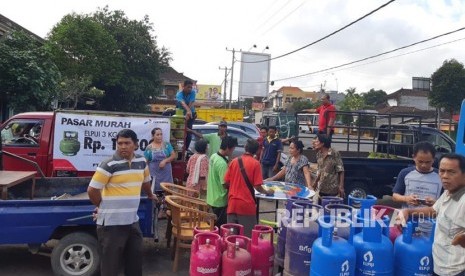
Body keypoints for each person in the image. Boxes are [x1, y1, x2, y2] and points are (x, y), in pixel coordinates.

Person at [87, 129, 157, 276]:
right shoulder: (108, 164)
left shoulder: (141, 161)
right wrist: (101, 206)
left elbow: (146, 182)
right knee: (110, 268)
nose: (123, 146)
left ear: (136, 145)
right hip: (111, 225)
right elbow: (92, 190)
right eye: (120, 143)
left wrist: (150, 195)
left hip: (132, 222)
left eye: (127, 143)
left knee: (135, 265)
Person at [399, 153, 465, 276]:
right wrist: (408, 212)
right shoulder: (448, 193)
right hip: (440, 265)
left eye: (451, 172)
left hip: (457, 270)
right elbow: (433, 211)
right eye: (442, 171)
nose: (445, 176)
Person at [224, 139, 274, 237]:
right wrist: (267, 192)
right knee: (248, 237)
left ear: (245, 148)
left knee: (231, 237)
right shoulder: (255, 164)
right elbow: (257, 186)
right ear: (257, 151)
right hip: (246, 205)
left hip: (232, 203)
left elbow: (226, 182)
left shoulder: (234, 161)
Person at [393, 141, 442, 207]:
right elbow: (395, 196)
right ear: (414, 157)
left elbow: (448, 201)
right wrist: (406, 199)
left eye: (428, 162)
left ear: (433, 159)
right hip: (408, 215)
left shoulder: (441, 176)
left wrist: (436, 203)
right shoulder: (405, 173)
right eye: (420, 161)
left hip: (432, 216)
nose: (423, 165)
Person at [207, 136, 238, 227]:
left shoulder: (214, 156)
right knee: (220, 227)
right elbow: (225, 184)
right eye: (232, 149)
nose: (233, 151)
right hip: (220, 200)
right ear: (228, 148)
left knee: (214, 225)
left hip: (212, 197)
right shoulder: (222, 164)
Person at [312, 134, 345, 198]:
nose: (315, 143)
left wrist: (341, 186)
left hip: (333, 190)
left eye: (317, 141)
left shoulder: (334, 153)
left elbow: (341, 170)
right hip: (321, 189)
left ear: (322, 144)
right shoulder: (318, 154)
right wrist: (316, 182)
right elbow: (320, 170)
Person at [144, 128, 176, 193]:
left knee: (167, 190)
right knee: (155, 191)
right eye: (157, 134)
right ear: (153, 136)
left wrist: (165, 161)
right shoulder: (149, 148)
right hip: (154, 173)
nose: (160, 136)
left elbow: (173, 155)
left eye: (161, 134)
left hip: (166, 173)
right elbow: (146, 162)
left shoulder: (166, 144)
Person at [176, 80, 197, 150]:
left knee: (188, 133)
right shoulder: (179, 94)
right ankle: (176, 148)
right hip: (181, 115)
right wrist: (187, 111)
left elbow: (191, 103)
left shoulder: (193, 92)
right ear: (183, 87)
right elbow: (183, 103)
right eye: (188, 87)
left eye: (191, 87)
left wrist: (189, 113)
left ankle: (185, 149)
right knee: (178, 131)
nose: (190, 89)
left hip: (191, 114)